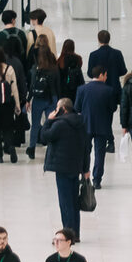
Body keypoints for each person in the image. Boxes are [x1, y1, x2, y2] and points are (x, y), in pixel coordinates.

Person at [40, 99, 91, 240]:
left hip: (62, 168)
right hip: (76, 168)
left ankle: (67, 236)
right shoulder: (81, 123)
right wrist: (86, 168)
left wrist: (48, 120)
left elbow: (44, 137)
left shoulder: (59, 124)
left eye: (57, 108)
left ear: (63, 108)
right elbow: (86, 147)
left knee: (65, 203)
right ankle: (75, 233)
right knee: (74, 202)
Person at [74, 67, 119, 189]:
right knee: (100, 154)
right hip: (103, 126)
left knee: (84, 152)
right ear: (101, 75)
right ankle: (97, 180)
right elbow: (113, 108)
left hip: (85, 125)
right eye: (105, 75)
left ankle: (84, 176)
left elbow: (77, 108)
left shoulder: (82, 89)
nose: (106, 77)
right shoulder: (109, 90)